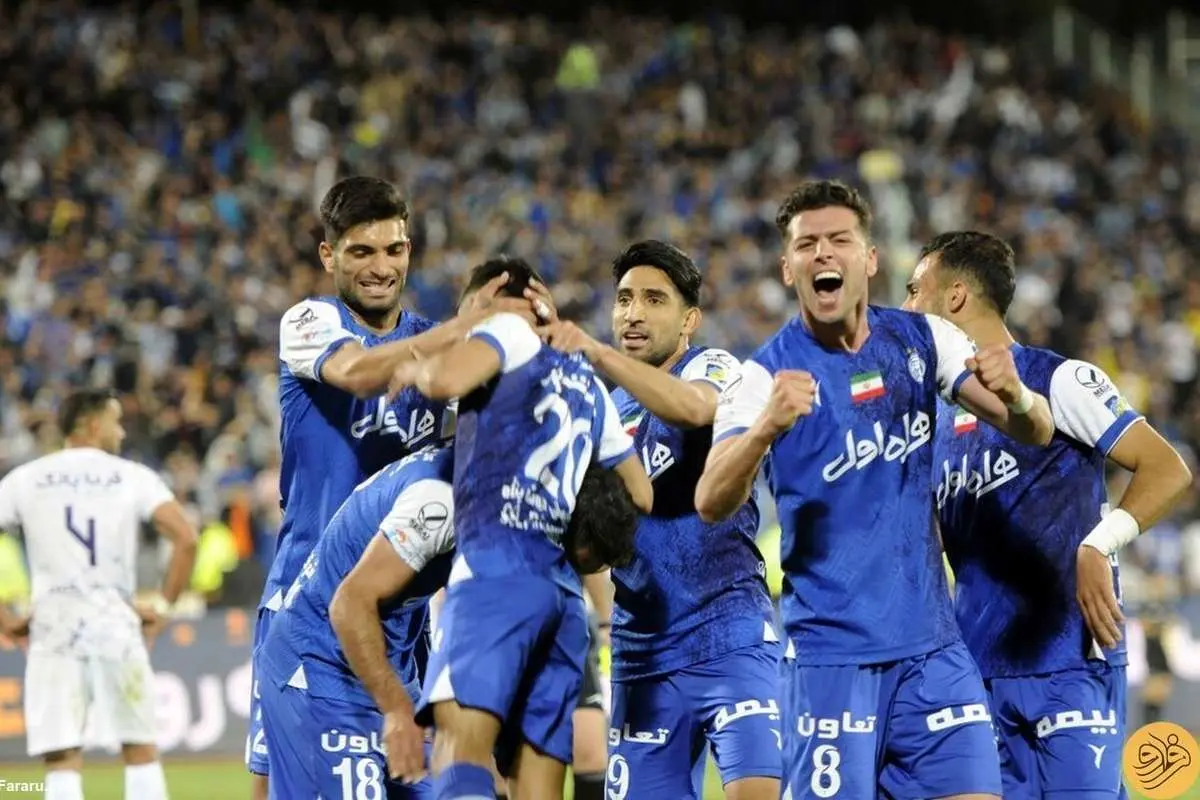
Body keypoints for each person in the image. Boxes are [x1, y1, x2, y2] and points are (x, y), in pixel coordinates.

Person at [694, 179, 1058, 800]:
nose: (823, 253)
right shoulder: (761, 379)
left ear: (869, 259)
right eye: (806, 244)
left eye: (839, 239)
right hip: (830, 663)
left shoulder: (924, 340)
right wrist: (764, 430)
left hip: (934, 653)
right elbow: (710, 501)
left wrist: (1018, 394)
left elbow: (1038, 429)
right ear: (787, 268)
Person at [247, 176, 520, 797]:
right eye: (361, 252)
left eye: (394, 250)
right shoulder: (311, 321)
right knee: (275, 780)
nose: (380, 268)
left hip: (399, 612)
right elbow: (358, 372)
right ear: (329, 256)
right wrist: (466, 329)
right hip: (304, 599)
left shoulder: (437, 345)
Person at [902, 231, 1193, 798]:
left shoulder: (1059, 379)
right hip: (976, 674)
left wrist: (1098, 544)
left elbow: (1167, 469)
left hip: (1069, 662)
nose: (906, 306)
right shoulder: (937, 415)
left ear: (955, 296)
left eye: (916, 290)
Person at [393, 256, 653, 800]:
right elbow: (640, 494)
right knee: (537, 786)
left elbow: (443, 380)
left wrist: (414, 367)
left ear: (491, 302)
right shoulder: (587, 381)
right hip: (562, 598)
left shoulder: (507, 332)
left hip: (494, 573)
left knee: (460, 756)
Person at [542, 239, 780, 800]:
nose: (633, 313)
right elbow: (594, 544)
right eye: (625, 299)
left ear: (689, 319)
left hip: (730, 635)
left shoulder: (713, 368)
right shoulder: (603, 413)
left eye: (654, 300)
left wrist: (597, 355)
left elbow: (694, 409)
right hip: (641, 654)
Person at [0, 388, 198, 800]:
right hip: (116, 626)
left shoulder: (26, 478)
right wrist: (163, 607)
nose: (121, 432)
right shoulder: (131, 476)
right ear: (92, 425)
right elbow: (186, 537)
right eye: (115, 421)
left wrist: (4, 618)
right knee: (140, 749)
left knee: (61, 756)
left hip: (54, 627)